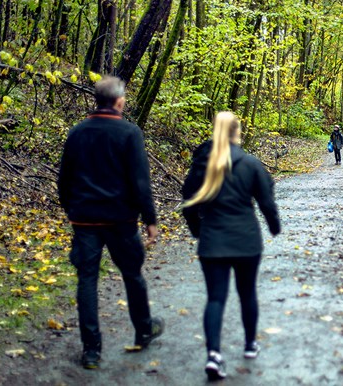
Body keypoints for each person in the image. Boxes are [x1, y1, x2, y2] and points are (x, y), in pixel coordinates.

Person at [58, 76, 164, 370]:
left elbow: (64, 179)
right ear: (119, 101)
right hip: (121, 220)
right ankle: (144, 330)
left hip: (85, 221)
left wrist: (72, 209)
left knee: (87, 281)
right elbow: (140, 182)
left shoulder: (77, 132)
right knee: (132, 274)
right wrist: (150, 219)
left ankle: (91, 351)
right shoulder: (129, 133)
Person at [181, 111, 281, 381]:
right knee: (247, 293)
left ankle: (214, 354)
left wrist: (198, 231)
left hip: (212, 240)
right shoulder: (250, 164)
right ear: (237, 133)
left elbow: (188, 201)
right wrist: (274, 226)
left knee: (215, 298)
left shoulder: (203, 164)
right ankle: (250, 345)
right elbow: (267, 200)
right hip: (246, 240)